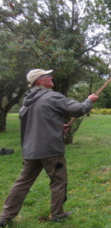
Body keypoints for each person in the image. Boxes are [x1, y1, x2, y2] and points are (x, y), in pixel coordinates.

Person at [0, 69, 99, 227]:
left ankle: (5, 216)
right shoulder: (52, 96)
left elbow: (40, 121)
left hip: (31, 150)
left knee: (22, 183)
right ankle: (57, 214)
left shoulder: (26, 101)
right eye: (47, 76)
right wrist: (89, 100)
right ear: (40, 81)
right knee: (59, 181)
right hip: (51, 150)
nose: (51, 77)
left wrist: (58, 126)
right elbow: (78, 109)